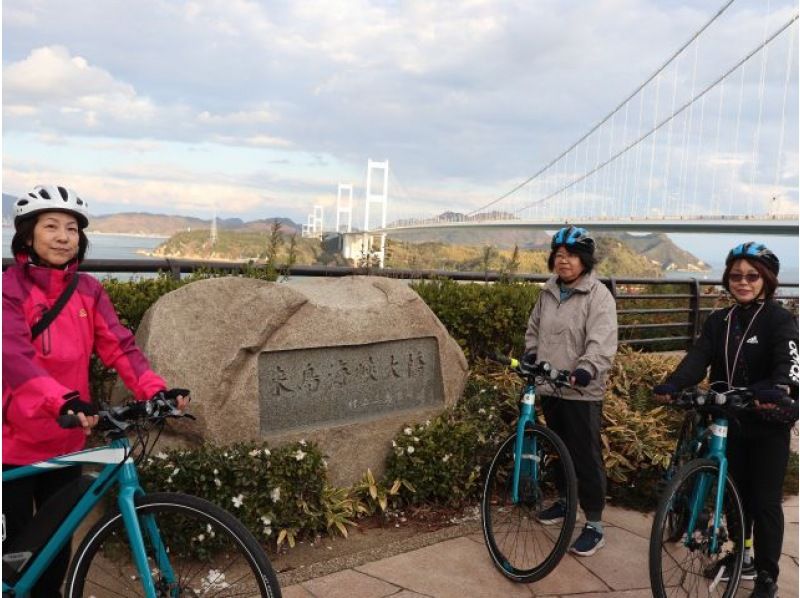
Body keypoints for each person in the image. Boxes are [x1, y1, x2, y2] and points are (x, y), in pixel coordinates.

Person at [2, 185, 188, 597]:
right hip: (9, 446)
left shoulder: (88, 291)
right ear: (28, 235)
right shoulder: (9, 289)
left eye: (71, 228)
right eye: (50, 226)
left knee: (53, 553)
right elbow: (13, 356)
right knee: (12, 556)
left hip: (66, 441)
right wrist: (62, 399)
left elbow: (119, 346)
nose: (63, 236)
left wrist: (155, 390)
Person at [654, 242, 799, 598]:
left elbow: (790, 366)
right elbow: (697, 358)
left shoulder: (780, 319)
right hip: (726, 420)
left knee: (763, 502)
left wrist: (775, 390)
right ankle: (740, 555)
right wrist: (673, 384)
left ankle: (766, 577)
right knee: (732, 494)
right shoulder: (720, 321)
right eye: (735, 276)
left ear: (767, 280)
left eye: (752, 276)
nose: (743, 282)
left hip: (766, 423)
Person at [524, 226, 618, 556]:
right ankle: (566, 502)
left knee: (585, 458)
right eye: (559, 255)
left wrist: (585, 370)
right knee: (557, 450)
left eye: (572, 255)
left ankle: (594, 524)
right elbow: (533, 329)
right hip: (550, 386)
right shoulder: (548, 291)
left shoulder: (598, 296)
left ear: (585, 261)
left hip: (581, 391)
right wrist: (532, 354)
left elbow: (601, 343)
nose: (564, 261)